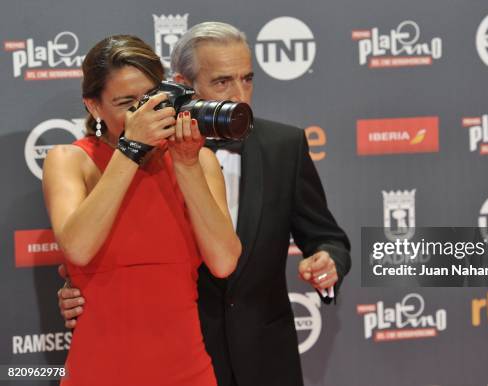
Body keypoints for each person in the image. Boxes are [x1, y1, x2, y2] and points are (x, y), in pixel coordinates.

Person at [58, 23, 351, 386]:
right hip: (138, 355)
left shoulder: (277, 146)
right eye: (223, 82)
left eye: (247, 78)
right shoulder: (72, 160)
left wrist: (327, 259)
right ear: (183, 84)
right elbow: (83, 248)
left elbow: (234, 258)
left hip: (246, 356)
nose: (239, 95)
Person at [45, 34, 241, 385]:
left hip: (188, 373)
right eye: (125, 102)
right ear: (94, 107)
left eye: (150, 99)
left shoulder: (198, 160)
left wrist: (186, 164)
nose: (142, 114)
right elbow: (77, 246)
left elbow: (224, 261)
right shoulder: (70, 161)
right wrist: (131, 148)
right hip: (100, 373)